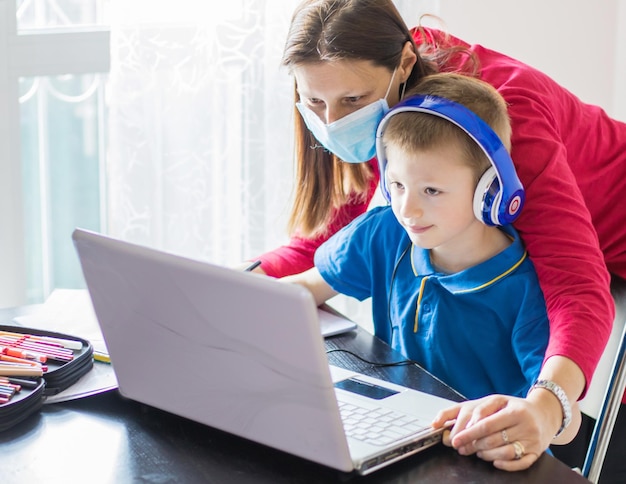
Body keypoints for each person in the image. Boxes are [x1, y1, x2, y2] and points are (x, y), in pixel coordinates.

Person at [246, 0, 626, 478]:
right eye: (315, 102)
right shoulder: (370, 91)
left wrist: (549, 408)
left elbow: (575, 285)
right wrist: (238, 287)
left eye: (351, 103)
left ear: (404, 65)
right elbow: (336, 237)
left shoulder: (492, 124)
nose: (333, 120)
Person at [282, 73, 581, 458]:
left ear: (491, 191)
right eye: (398, 185)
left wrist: (541, 416)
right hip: (398, 436)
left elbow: (564, 425)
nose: (408, 209)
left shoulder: (524, 290)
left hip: (480, 456)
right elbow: (304, 289)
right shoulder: (387, 232)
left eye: (432, 190)